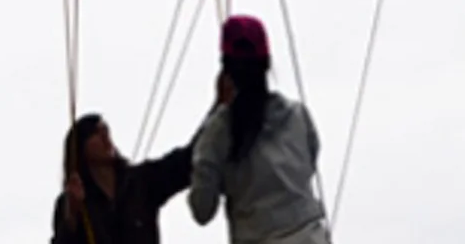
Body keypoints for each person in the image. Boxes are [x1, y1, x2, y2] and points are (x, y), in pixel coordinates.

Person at [188, 15, 329, 244]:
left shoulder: (218, 132)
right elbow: (310, 163)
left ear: (225, 70)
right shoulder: (298, 116)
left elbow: (201, 209)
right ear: (268, 63)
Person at [51, 112, 201, 244]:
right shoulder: (72, 202)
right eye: (95, 132)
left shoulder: (141, 181)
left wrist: (213, 120)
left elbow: (185, 163)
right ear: (80, 148)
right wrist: (72, 217)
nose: (105, 135)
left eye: (105, 129)